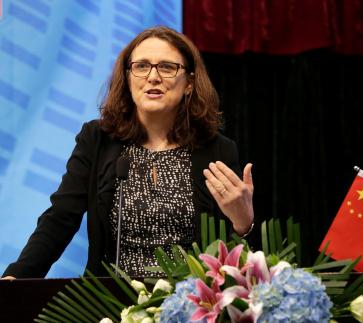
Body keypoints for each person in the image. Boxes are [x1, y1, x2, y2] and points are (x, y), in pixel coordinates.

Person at [2, 26, 254, 279]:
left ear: (188, 83)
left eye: (167, 67)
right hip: (110, 304)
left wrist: (243, 223)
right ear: (128, 77)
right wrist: (19, 276)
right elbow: (61, 217)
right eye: (141, 66)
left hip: (187, 303)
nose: (153, 77)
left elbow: (229, 257)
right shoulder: (98, 139)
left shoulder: (217, 149)